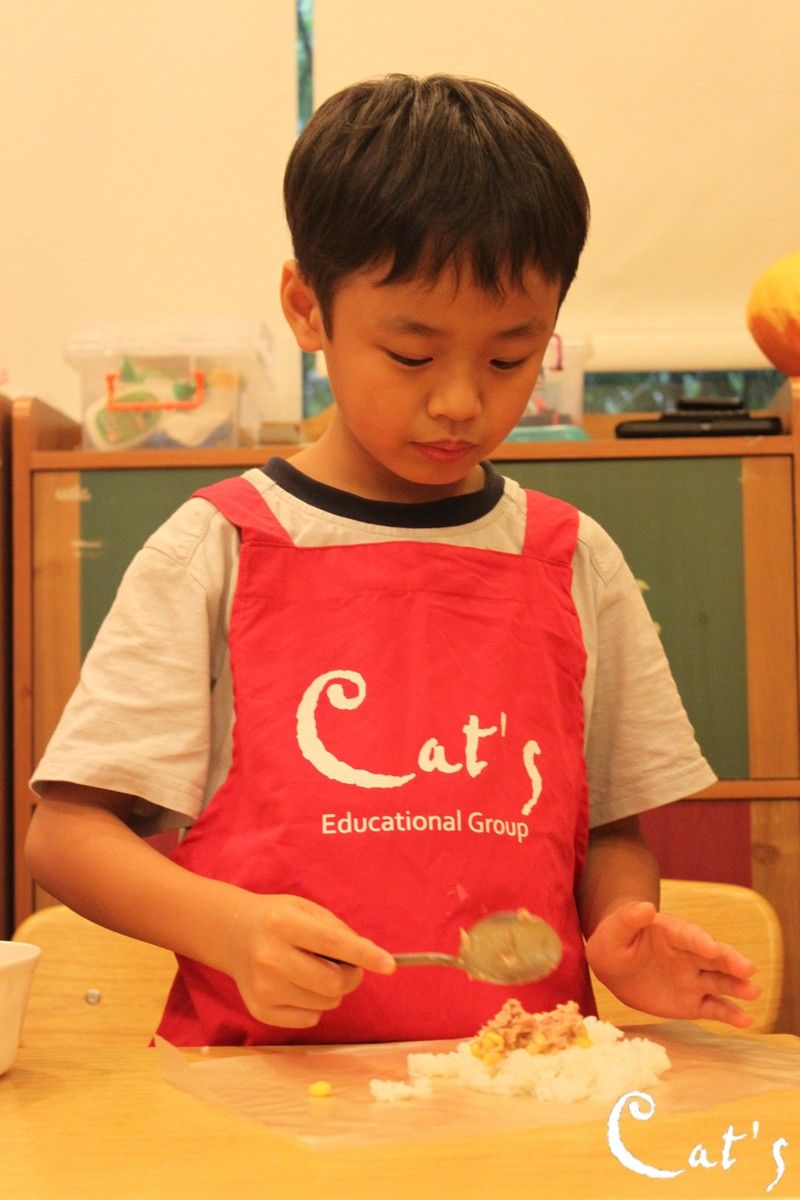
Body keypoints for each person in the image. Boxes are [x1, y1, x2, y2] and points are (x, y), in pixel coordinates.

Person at [25, 74, 759, 1047]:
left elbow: (610, 832)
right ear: (307, 308)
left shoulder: (571, 560)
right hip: (255, 1092)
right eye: (412, 356)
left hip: (518, 1083)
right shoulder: (221, 548)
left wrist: (619, 924)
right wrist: (228, 928)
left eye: (508, 359)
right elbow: (64, 835)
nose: (459, 401)